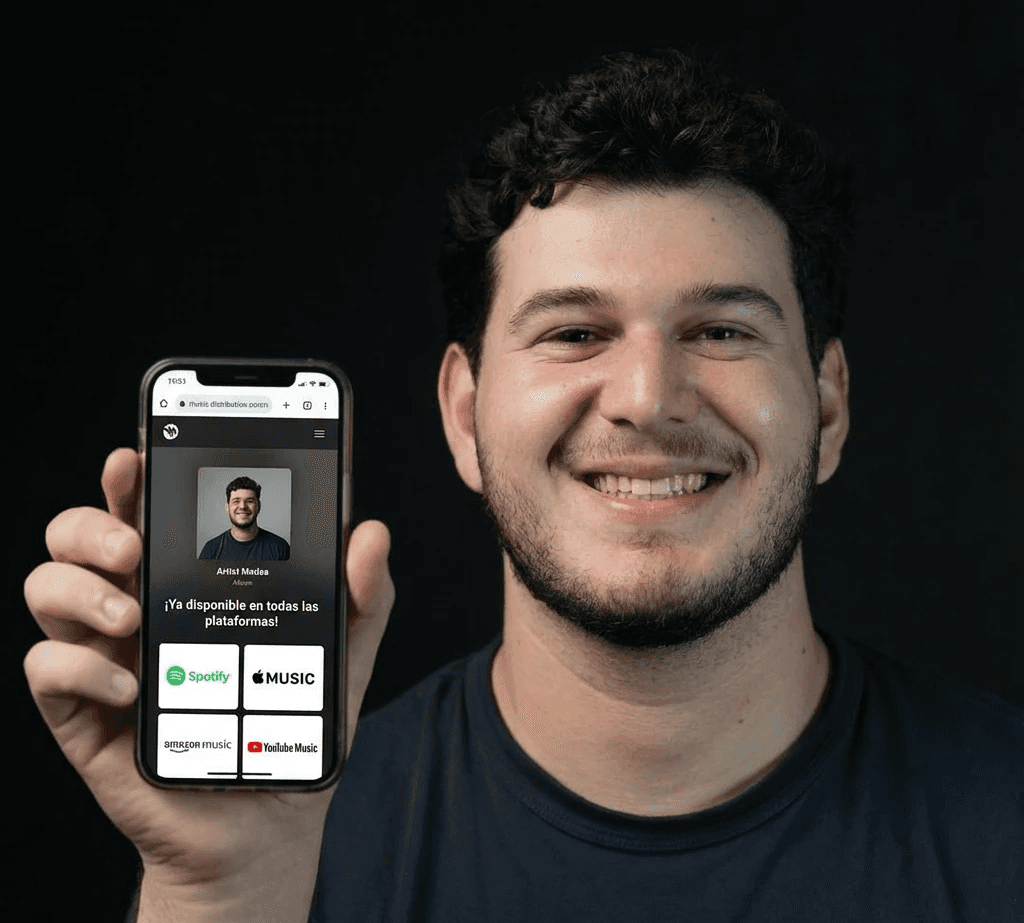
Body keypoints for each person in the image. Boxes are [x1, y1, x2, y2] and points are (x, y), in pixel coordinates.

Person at [22, 49, 1021, 922]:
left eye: (721, 330)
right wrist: (215, 893)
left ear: (828, 406)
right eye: (574, 332)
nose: (645, 399)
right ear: (464, 415)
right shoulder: (286, 838)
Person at [198, 475, 291, 560]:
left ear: (258, 506)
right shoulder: (211, 549)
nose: (242, 506)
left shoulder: (280, 547)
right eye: (236, 501)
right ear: (227, 507)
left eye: (250, 501)